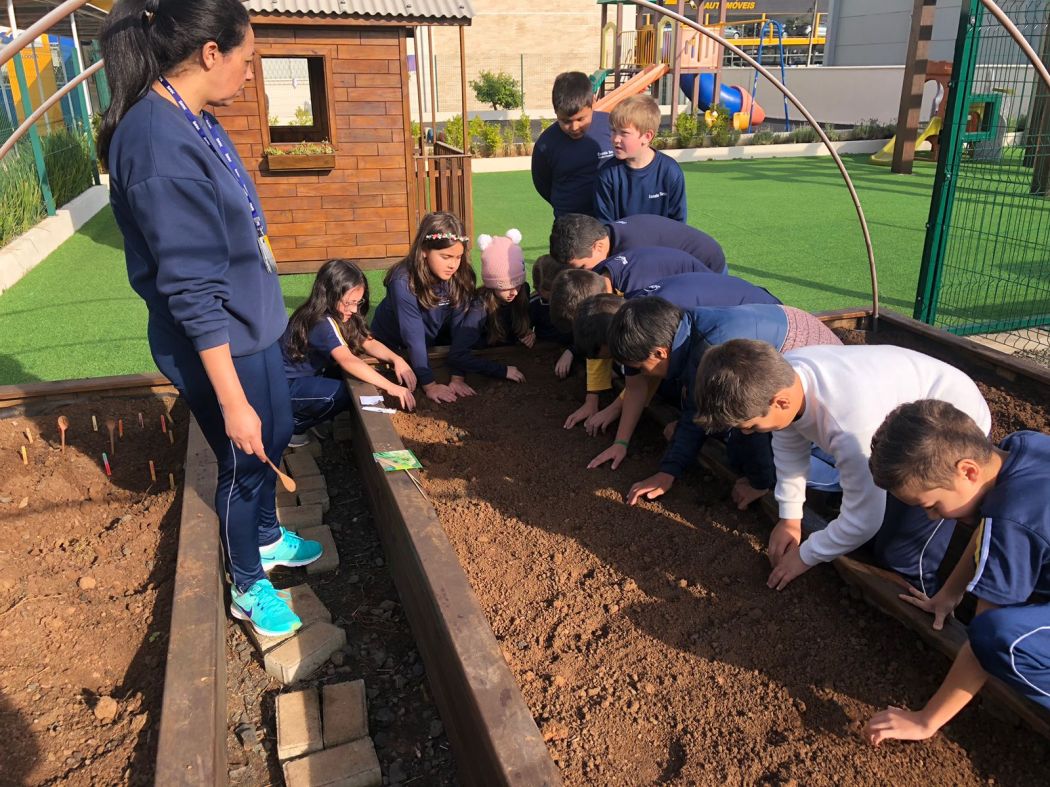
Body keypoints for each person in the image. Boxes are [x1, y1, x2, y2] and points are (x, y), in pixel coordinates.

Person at [100, 0, 320, 638]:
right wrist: (232, 400)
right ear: (210, 52)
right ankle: (247, 582)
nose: (251, 74)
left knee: (276, 432)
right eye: (247, 60)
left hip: (251, 323)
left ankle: (268, 537)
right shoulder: (155, 144)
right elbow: (191, 289)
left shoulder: (193, 116)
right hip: (216, 337)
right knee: (244, 457)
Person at [693, 341, 991, 593]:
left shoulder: (850, 426)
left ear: (780, 402)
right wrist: (790, 518)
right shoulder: (784, 379)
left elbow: (864, 520)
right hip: (898, 422)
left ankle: (924, 602)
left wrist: (805, 557)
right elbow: (789, 446)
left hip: (949, 433)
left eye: (751, 426)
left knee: (900, 555)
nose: (748, 433)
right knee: (873, 527)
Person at [862, 400, 1050, 744]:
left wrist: (925, 721)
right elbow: (989, 529)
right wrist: (949, 593)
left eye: (932, 506)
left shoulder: (1012, 521)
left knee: (998, 637)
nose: (932, 517)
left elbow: (981, 645)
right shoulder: (1022, 446)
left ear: (968, 471)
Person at [588, 299, 841, 509]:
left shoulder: (712, 351)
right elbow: (695, 407)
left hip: (822, 389)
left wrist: (759, 483)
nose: (645, 375)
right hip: (798, 365)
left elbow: (748, 417)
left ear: (660, 353)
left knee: (742, 438)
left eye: (642, 368)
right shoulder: (688, 329)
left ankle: (835, 482)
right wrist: (670, 469)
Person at [550, 268, 780, 435]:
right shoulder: (630, 318)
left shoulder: (657, 323)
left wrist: (688, 424)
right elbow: (637, 383)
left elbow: (692, 394)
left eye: (613, 358)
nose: (618, 364)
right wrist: (619, 439)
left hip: (765, 321)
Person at [371, 213, 523, 402]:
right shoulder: (403, 282)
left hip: (429, 343)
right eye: (446, 257)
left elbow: (460, 327)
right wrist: (430, 385)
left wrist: (457, 377)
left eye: (458, 257)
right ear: (424, 250)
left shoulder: (462, 275)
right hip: (393, 345)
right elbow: (413, 336)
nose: (453, 264)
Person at [282, 259, 416, 446]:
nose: (354, 309)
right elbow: (347, 360)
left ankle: (315, 414)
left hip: (307, 376)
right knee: (346, 393)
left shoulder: (340, 314)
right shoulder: (321, 323)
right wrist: (391, 387)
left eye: (358, 302)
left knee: (350, 379)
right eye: (349, 303)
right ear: (329, 295)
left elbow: (367, 342)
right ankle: (293, 427)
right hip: (285, 386)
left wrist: (396, 359)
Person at [531, 71, 615, 218]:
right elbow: (543, 184)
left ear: (593, 102)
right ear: (555, 111)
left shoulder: (612, 127)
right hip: (570, 222)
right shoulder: (545, 145)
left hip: (610, 219)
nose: (574, 127)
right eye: (566, 121)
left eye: (580, 119)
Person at [595, 94, 686, 224]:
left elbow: (678, 224)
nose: (615, 139)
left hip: (661, 238)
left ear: (647, 136)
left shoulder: (670, 172)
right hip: (621, 238)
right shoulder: (607, 175)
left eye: (624, 133)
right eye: (613, 131)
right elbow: (605, 225)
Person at [550, 212, 726, 275]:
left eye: (582, 267)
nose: (583, 273)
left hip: (707, 265)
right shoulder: (607, 234)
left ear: (599, 246)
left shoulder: (633, 254)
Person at [475, 230, 534, 351]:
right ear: (492, 285)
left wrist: (529, 334)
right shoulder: (479, 305)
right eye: (507, 287)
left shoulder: (523, 291)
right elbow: (473, 342)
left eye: (518, 285)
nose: (515, 292)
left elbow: (525, 325)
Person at [529, 254, 574, 379]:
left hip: (573, 349)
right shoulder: (534, 303)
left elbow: (586, 335)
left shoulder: (576, 300)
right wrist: (526, 333)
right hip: (544, 349)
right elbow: (525, 326)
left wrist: (571, 351)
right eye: (546, 295)